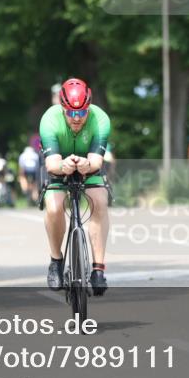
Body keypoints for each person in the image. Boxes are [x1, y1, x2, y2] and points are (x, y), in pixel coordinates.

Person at [39, 78, 111, 296]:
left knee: (99, 201)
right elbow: (51, 164)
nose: (77, 118)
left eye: (82, 113)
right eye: (71, 113)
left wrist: (87, 165)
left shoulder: (101, 119)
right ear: (63, 109)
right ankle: (56, 261)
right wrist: (64, 166)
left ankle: (98, 270)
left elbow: (97, 161)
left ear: (89, 108)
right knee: (53, 207)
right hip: (60, 167)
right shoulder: (49, 120)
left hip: (88, 167)